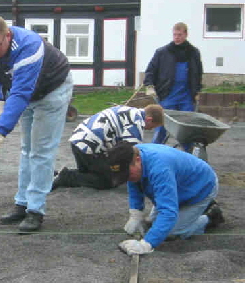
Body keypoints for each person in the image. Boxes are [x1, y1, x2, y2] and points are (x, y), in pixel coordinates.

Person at [0, 16, 73, 232]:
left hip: (52, 90)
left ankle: (35, 210)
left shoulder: (29, 47)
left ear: (8, 35)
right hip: (26, 91)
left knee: (41, 151)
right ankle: (22, 203)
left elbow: (20, 93)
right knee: (26, 149)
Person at [107, 142, 225, 256]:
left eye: (127, 173)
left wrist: (146, 244)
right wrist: (135, 214)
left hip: (201, 188)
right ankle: (190, 213)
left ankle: (210, 217)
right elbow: (134, 183)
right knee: (154, 224)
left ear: (137, 160)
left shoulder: (160, 168)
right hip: (176, 186)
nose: (127, 178)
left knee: (171, 232)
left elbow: (168, 212)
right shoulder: (131, 154)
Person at [52, 104, 164, 190]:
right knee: (108, 181)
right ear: (149, 119)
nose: (149, 129)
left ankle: (57, 174)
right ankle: (66, 177)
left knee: (90, 173)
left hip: (78, 140)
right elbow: (131, 153)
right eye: (151, 127)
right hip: (90, 146)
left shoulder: (127, 110)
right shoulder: (137, 123)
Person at [144, 22, 203, 152]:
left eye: (180, 35)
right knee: (161, 126)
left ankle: (188, 155)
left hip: (186, 96)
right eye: (175, 34)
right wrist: (149, 85)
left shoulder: (193, 53)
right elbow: (150, 70)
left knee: (186, 128)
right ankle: (153, 152)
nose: (177, 37)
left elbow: (198, 72)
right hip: (168, 95)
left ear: (186, 34)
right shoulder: (162, 52)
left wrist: (197, 90)